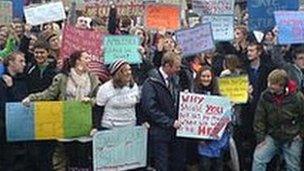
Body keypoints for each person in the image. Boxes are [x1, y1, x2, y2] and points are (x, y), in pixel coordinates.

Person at [22, 51, 100, 170]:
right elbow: (49, 94)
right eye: (86, 58)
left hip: (84, 122)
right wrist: (32, 98)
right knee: (67, 154)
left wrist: (90, 101)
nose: (89, 60)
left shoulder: (93, 78)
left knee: (82, 157)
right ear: (78, 61)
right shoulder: (62, 78)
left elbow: (99, 98)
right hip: (66, 121)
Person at [140, 51, 186, 171]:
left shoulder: (175, 79)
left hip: (175, 132)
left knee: (177, 164)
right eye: (176, 67)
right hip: (159, 132)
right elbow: (150, 108)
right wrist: (169, 122)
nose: (178, 69)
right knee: (162, 165)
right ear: (167, 66)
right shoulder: (151, 82)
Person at [252, 69, 304, 171]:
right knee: (259, 158)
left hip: (292, 136)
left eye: (272, 84)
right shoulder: (265, 96)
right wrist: (260, 138)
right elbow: (259, 117)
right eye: (269, 82)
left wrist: (301, 134)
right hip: (273, 134)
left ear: (281, 85)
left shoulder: (297, 97)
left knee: (293, 167)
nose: (269, 85)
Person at [0, 52, 30, 170]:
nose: (24, 64)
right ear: (11, 63)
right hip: (5, 131)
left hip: (21, 129)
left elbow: (22, 103)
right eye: (20, 61)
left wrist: (11, 87)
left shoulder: (22, 80)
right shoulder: (2, 82)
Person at [92, 59, 140, 131]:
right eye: (125, 70)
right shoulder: (105, 88)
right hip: (110, 127)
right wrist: (96, 127)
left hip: (130, 126)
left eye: (129, 70)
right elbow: (98, 109)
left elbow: (138, 107)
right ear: (117, 73)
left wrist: (141, 121)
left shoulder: (134, 87)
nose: (129, 73)